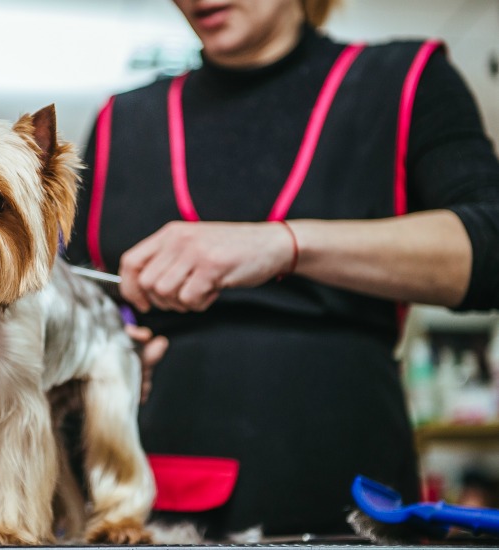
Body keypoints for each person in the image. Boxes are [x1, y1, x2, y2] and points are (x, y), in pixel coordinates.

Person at [64, 0, 499, 539]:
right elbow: (70, 305)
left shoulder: (405, 80)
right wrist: (108, 353)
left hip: (353, 497)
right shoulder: (123, 121)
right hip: (157, 501)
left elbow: (489, 248)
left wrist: (284, 244)